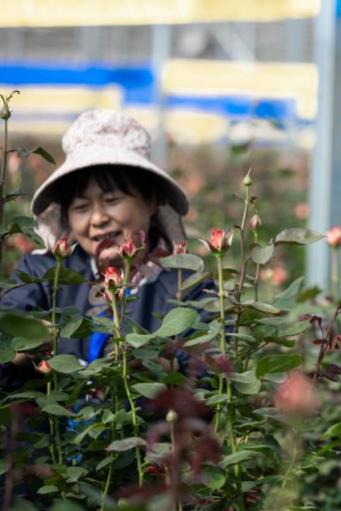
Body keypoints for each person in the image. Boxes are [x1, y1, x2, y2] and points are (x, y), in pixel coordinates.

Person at [0, 109, 211, 389]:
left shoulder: (189, 286)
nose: (98, 219)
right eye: (81, 207)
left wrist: (165, 366)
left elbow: (217, 374)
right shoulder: (42, 275)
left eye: (111, 200)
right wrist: (21, 346)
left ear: (150, 201)